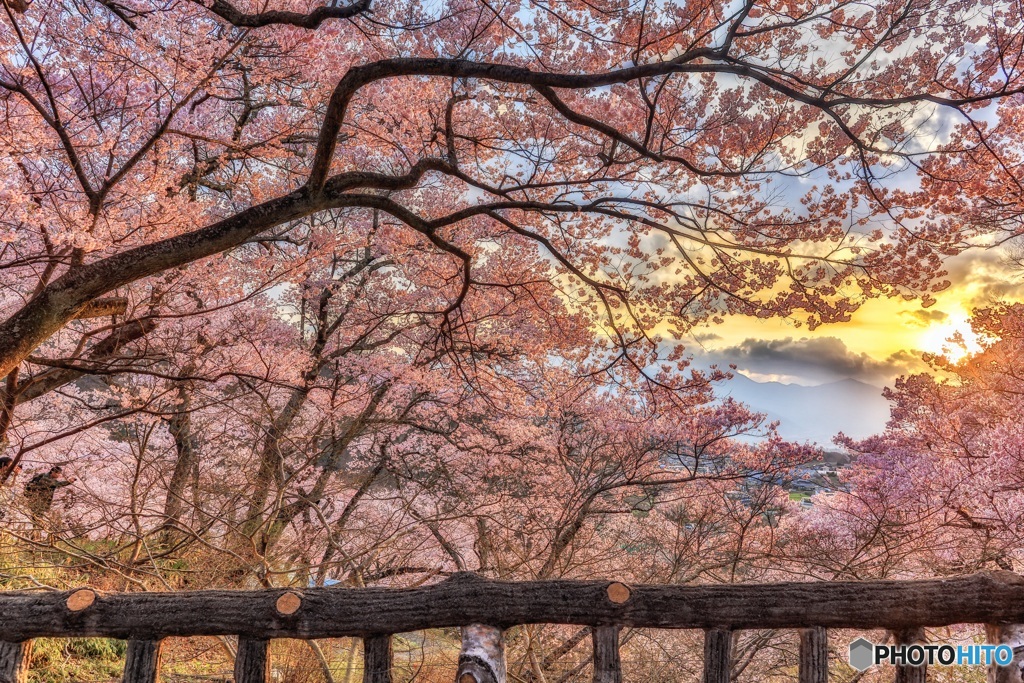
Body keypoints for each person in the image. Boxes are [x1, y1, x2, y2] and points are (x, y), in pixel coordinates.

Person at [23, 465, 75, 531]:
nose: (58, 475)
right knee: (37, 519)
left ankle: (35, 535)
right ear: (52, 472)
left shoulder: (43, 476)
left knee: (37, 519)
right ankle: (35, 536)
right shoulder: (45, 478)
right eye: (58, 473)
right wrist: (68, 482)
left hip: (38, 500)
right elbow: (57, 484)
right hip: (38, 501)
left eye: (59, 474)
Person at [0, 456, 22, 521]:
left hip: (3, 502)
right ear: (3, 465)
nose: (12, 467)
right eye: (10, 465)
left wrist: (15, 476)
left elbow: (10, 485)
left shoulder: (5, 475)